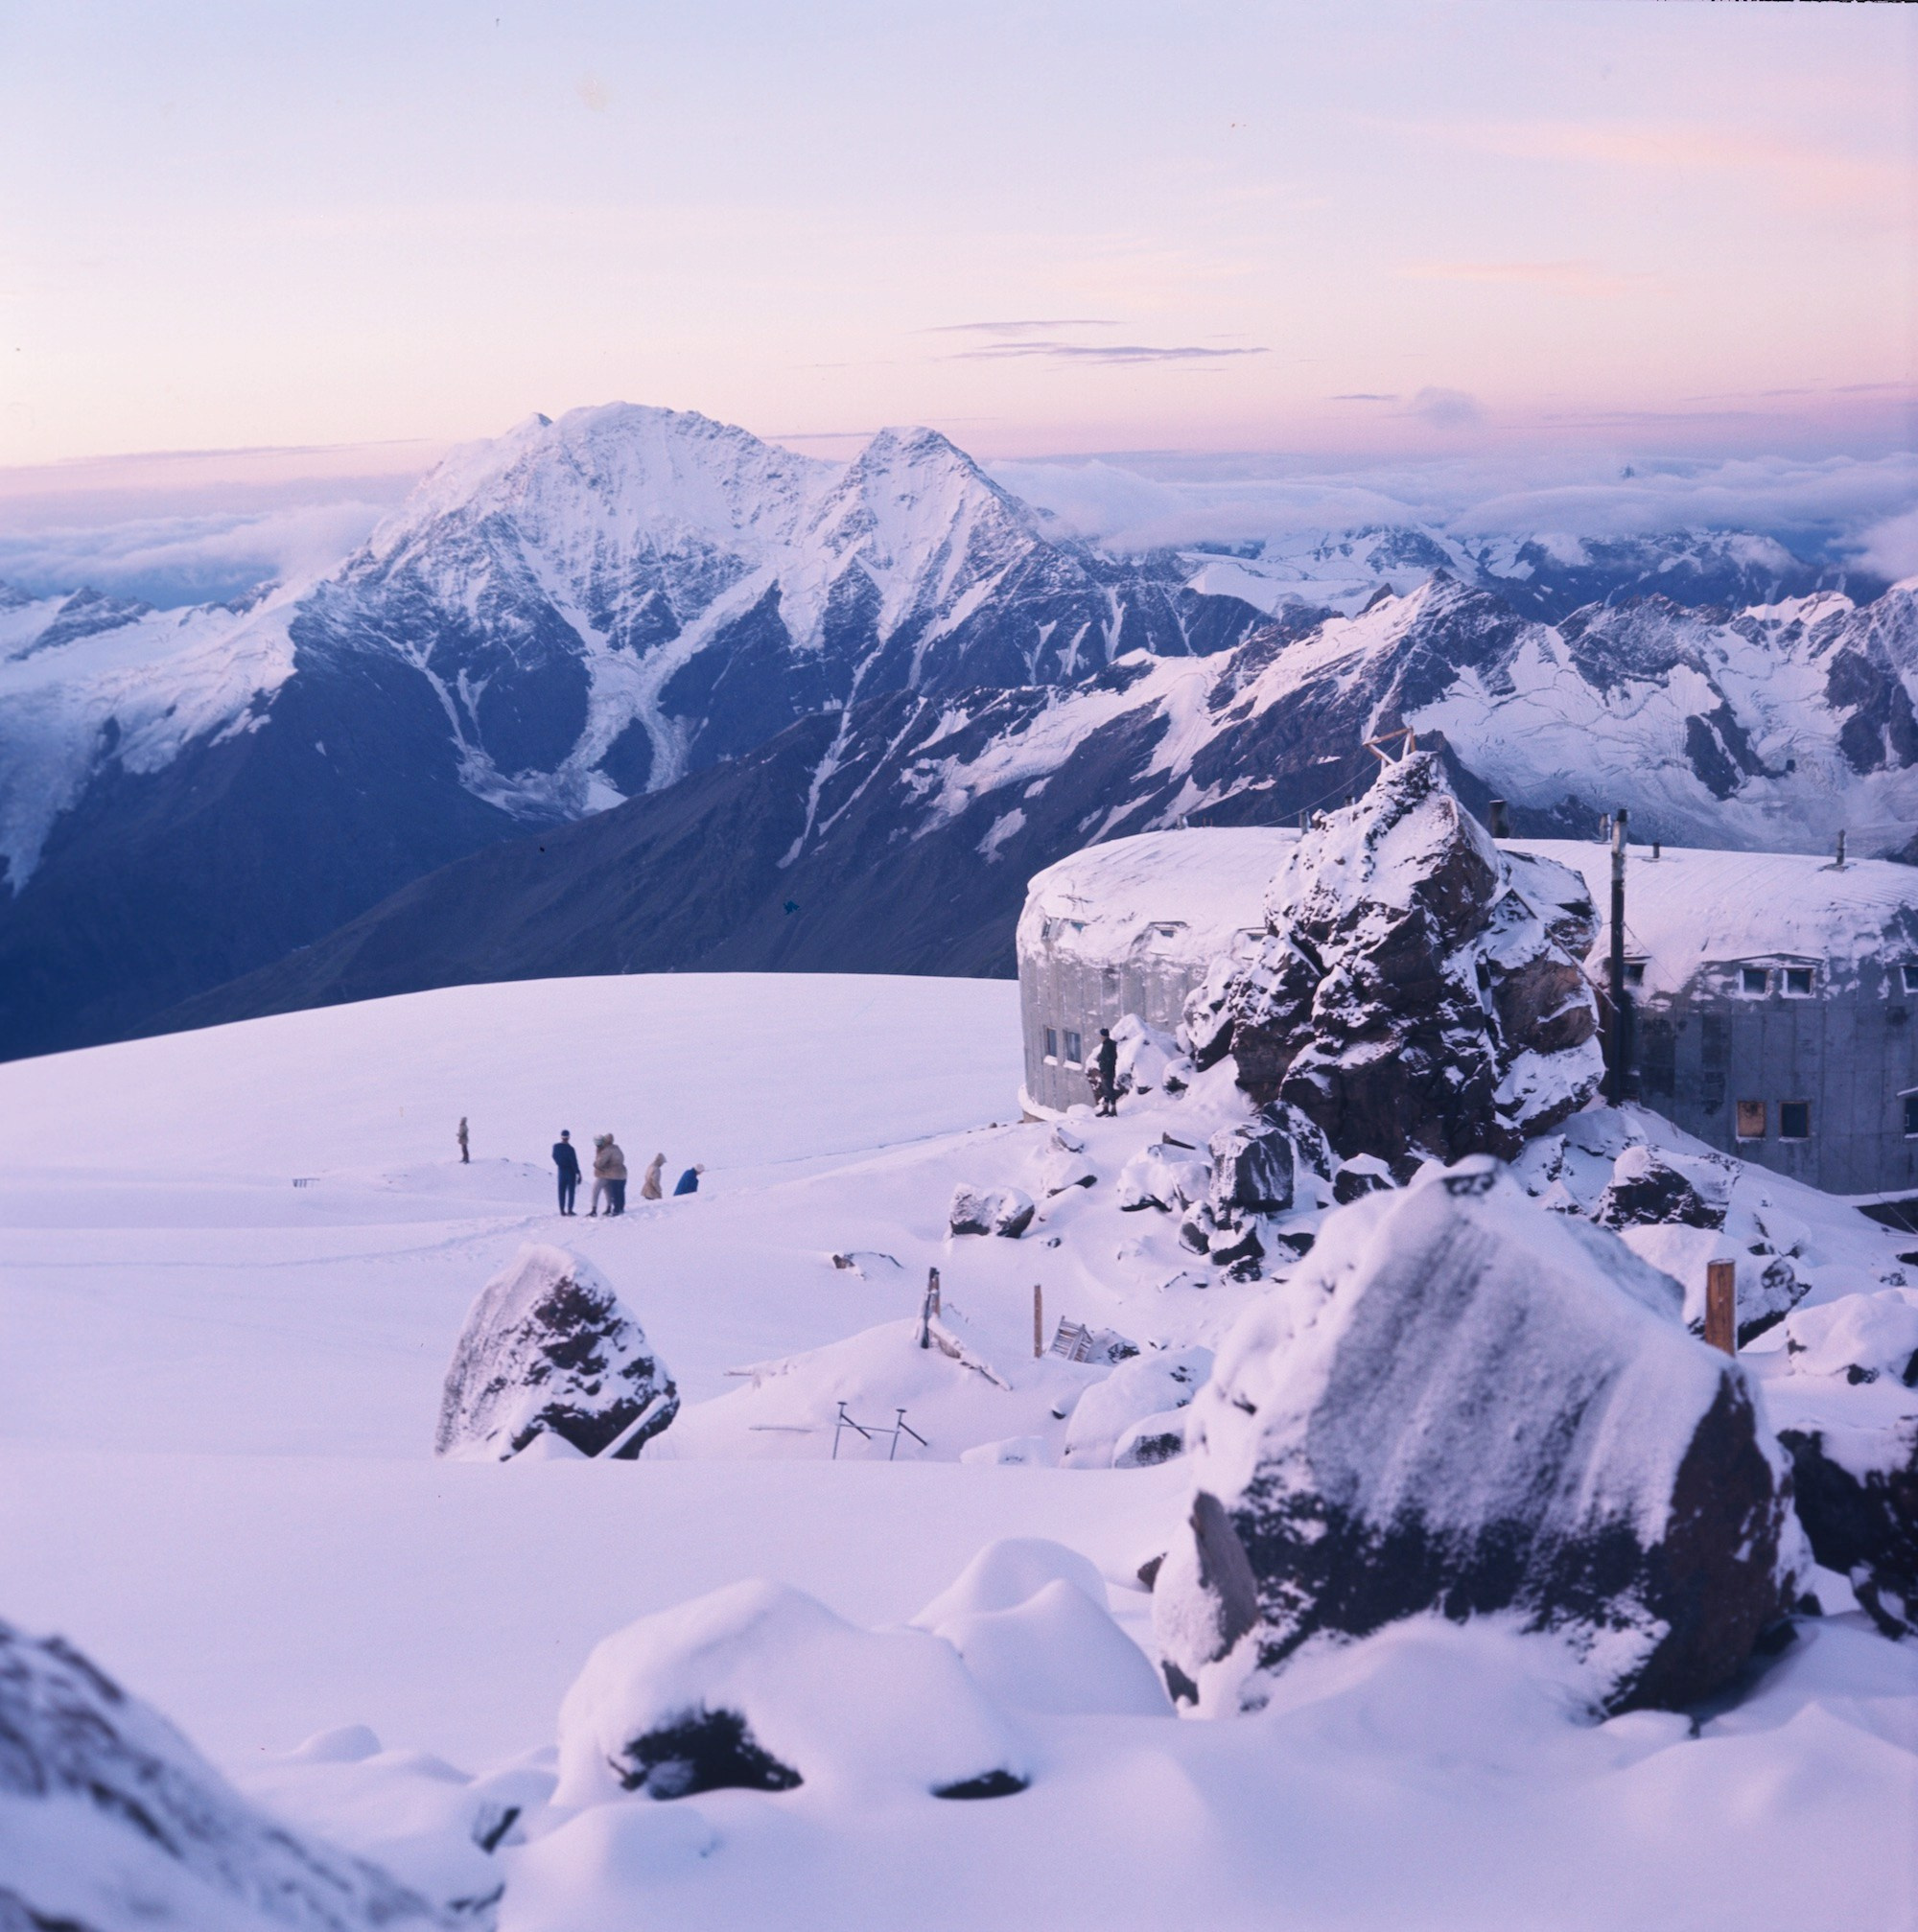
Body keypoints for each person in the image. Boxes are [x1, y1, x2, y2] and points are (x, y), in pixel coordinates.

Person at [594, 1133, 629, 1216]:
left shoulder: (607, 1150)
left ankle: (616, 1210)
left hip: (614, 1174)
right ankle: (621, 1208)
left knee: (615, 1193)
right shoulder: (617, 1148)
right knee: (621, 1192)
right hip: (623, 1173)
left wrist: (595, 1164)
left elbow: (600, 1163)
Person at [551, 1130, 580, 1215]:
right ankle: (570, 1210)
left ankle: (562, 1210)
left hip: (561, 1170)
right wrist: (578, 1172)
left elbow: (554, 1156)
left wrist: (559, 1163)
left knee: (561, 1191)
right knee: (571, 1191)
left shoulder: (556, 1147)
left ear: (561, 1137)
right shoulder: (571, 1149)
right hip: (571, 1171)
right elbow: (574, 1162)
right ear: (568, 1137)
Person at [1093, 1028, 1119, 1116]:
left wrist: (1106, 1071)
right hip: (1105, 1071)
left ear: (1103, 1036)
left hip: (1108, 1072)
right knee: (1106, 1091)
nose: (1100, 1037)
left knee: (1109, 1091)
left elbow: (1110, 1060)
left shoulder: (1108, 1045)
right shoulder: (1106, 1044)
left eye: (1101, 1035)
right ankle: (1106, 1108)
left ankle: (1113, 1110)